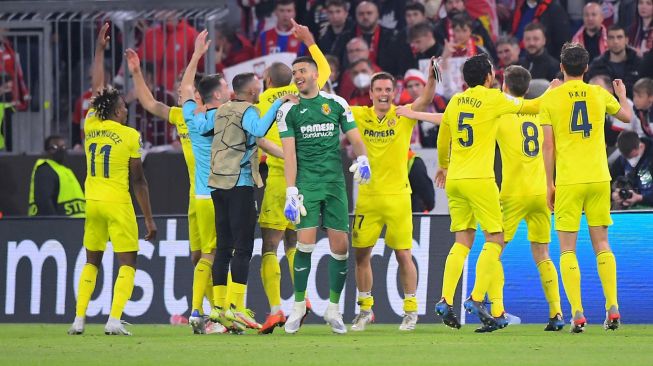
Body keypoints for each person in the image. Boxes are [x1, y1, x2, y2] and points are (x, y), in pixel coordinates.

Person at [183, 31, 294, 333]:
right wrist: (279, 102)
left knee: (223, 248)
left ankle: (219, 309)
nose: (260, 90)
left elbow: (201, 126)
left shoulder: (218, 111)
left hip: (216, 186)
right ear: (248, 92)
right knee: (243, 248)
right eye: (257, 88)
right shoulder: (249, 110)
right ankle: (236, 307)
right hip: (239, 184)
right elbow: (259, 127)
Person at [431, 54, 543, 329]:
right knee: (495, 237)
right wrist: (555, 92)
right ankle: (477, 297)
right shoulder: (494, 98)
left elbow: (443, 137)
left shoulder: (456, 100)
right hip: (480, 179)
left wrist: (444, 166)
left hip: (455, 179)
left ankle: (445, 299)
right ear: (488, 77)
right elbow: (531, 107)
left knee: (462, 241)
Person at [124, 47, 225, 334]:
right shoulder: (183, 116)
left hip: (214, 194)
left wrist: (196, 56)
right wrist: (136, 72)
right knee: (198, 258)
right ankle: (208, 314)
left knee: (212, 255)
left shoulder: (216, 118)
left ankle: (219, 316)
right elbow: (149, 103)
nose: (180, 93)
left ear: (198, 94)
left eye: (186, 89)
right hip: (195, 197)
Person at [68, 24, 157, 336]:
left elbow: (96, 91)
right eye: (123, 107)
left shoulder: (91, 125)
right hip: (118, 204)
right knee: (127, 261)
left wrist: (99, 50)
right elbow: (139, 181)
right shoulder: (130, 135)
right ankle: (114, 320)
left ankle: (79, 320)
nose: (126, 110)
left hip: (92, 203)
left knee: (92, 259)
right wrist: (148, 219)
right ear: (117, 112)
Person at [541, 42, 632, 332]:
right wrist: (622, 97)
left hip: (569, 180)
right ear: (586, 68)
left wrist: (549, 184)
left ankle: (578, 313)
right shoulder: (598, 93)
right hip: (599, 178)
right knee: (602, 244)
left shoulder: (551, 99)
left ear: (561, 67)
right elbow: (627, 118)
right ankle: (612, 307)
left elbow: (549, 146)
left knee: (568, 250)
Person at [278, 56, 370, 334]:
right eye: (294, 72)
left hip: (334, 184)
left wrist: (364, 158)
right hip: (307, 183)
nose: (297, 76)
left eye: (302, 71)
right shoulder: (288, 111)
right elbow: (289, 154)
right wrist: (291, 190)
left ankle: (333, 309)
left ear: (316, 74)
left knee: (340, 248)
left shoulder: (337, 104)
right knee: (304, 244)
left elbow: (355, 140)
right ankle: (297, 306)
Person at [255, 20, 331, 334]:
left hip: (277, 179)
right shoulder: (307, 90)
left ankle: (275, 310)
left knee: (269, 246)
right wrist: (310, 41)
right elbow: (324, 69)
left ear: (267, 80)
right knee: (293, 242)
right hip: (305, 180)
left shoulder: (264, 100)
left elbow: (257, 137)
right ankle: (304, 301)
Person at [474, 65, 564, 332]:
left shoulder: (500, 115)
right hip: (540, 192)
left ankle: (496, 309)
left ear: (504, 85)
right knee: (543, 253)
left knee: (494, 249)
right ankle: (556, 313)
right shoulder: (539, 111)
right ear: (526, 88)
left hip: (512, 194)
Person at [348, 65, 437, 332]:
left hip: (398, 197)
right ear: (371, 93)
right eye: (379, 90)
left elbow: (427, 99)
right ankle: (365, 309)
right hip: (368, 198)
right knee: (361, 255)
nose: (383, 94)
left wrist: (431, 78)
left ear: (394, 92)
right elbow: (330, 103)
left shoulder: (404, 114)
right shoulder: (359, 114)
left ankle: (410, 311)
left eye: (388, 90)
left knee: (403, 254)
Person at [28, 135, 85, 217]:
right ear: (46, 151)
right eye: (55, 147)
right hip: (56, 226)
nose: (60, 150)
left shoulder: (65, 171)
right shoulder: (45, 170)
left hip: (74, 225)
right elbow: (44, 201)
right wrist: (55, 224)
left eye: (63, 147)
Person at [587, 25, 642, 98]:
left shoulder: (639, 63)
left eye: (619, 37)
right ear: (606, 41)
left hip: (634, 107)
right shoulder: (596, 65)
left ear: (626, 40)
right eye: (611, 38)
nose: (615, 41)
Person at [610, 131, 653, 209]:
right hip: (631, 207)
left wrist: (640, 198)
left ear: (641, 146)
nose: (631, 162)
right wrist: (614, 195)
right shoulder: (622, 160)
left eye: (633, 156)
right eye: (627, 158)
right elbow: (610, 180)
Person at [317, 0, 355, 64]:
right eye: (331, 12)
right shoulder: (323, 35)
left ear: (346, 13)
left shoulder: (354, 32)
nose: (334, 16)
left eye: (338, 11)